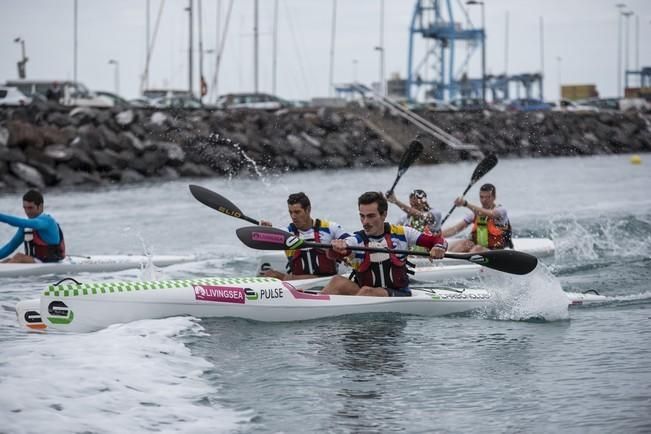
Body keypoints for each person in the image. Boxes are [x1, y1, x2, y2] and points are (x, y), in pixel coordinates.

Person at [321, 191, 447, 297]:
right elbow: (333, 254)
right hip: (366, 292)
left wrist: (438, 247)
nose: (365, 222)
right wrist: (337, 248)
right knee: (337, 281)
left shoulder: (403, 233)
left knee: (367, 292)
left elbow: (436, 240)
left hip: (398, 293)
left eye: (371, 216)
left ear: (384, 215)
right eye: (362, 216)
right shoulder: (356, 239)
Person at [259, 192, 349, 280]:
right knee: (268, 275)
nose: (293, 216)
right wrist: (267, 231)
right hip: (298, 287)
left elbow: (350, 240)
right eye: (290, 212)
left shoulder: (330, 228)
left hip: (327, 284)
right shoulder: (286, 233)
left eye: (297, 212)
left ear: (308, 210)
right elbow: (264, 241)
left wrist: (342, 248)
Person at [441, 183, 513, 253]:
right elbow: (455, 229)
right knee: (463, 244)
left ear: (494, 197)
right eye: (482, 197)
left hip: (498, 250)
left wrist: (466, 204)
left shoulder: (501, 211)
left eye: (488, 197)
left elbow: (488, 214)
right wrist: (436, 236)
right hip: (481, 248)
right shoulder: (474, 215)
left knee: (477, 249)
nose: (484, 200)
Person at [0, 189, 66, 263]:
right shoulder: (26, 226)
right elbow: (10, 247)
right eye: (25, 208)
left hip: (51, 261)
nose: (27, 212)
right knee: (6, 261)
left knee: (19, 257)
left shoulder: (47, 221)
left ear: (40, 206)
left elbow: (22, 222)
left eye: (30, 208)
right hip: (34, 261)